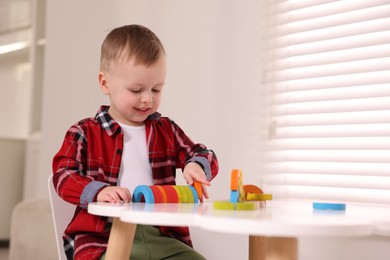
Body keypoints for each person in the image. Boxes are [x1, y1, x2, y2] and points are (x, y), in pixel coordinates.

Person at [52, 24, 219, 260]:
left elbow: (205, 153)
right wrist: (98, 191)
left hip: (161, 236)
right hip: (103, 238)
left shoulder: (166, 130)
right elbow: (63, 174)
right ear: (104, 83)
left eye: (157, 89)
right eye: (136, 89)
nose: (147, 99)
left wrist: (197, 165)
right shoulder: (84, 132)